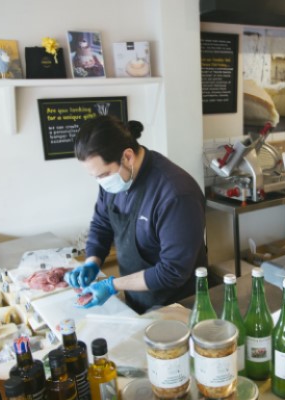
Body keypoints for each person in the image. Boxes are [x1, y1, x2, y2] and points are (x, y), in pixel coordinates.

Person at [65, 116, 207, 314]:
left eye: (104, 175)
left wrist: (112, 285)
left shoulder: (176, 194)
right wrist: (92, 262)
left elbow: (172, 271)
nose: (101, 182)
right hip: (138, 299)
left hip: (178, 305)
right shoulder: (115, 179)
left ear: (128, 157)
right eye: (95, 177)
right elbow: (101, 224)